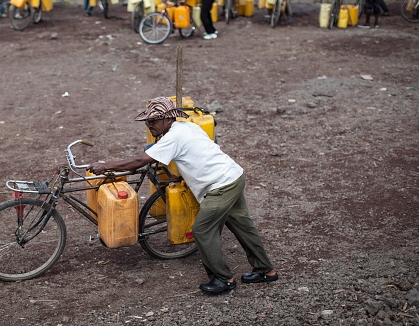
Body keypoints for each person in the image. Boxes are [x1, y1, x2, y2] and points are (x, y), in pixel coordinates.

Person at [88, 97, 278, 295]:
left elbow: (138, 161)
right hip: (233, 175)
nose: (149, 125)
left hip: (221, 185)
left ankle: (223, 279)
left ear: (168, 119)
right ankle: (266, 270)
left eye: (154, 120)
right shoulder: (187, 127)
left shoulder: (173, 138)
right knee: (242, 225)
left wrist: (106, 166)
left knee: (202, 230)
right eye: (147, 122)